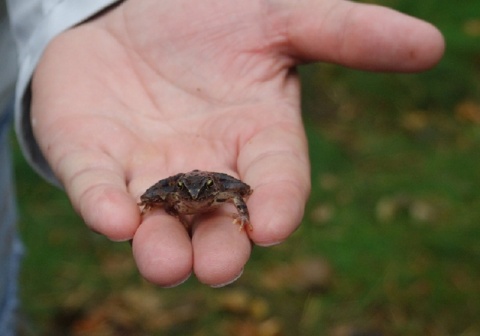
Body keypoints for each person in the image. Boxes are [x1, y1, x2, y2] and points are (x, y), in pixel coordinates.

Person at [1, 0, 444, 333]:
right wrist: (157, 205)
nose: (197, 198)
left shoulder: (219, 190)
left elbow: (239, 191)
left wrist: (81, 9)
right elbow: (160, 192)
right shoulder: (177, 191)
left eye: (203, 193)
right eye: (193, 195)